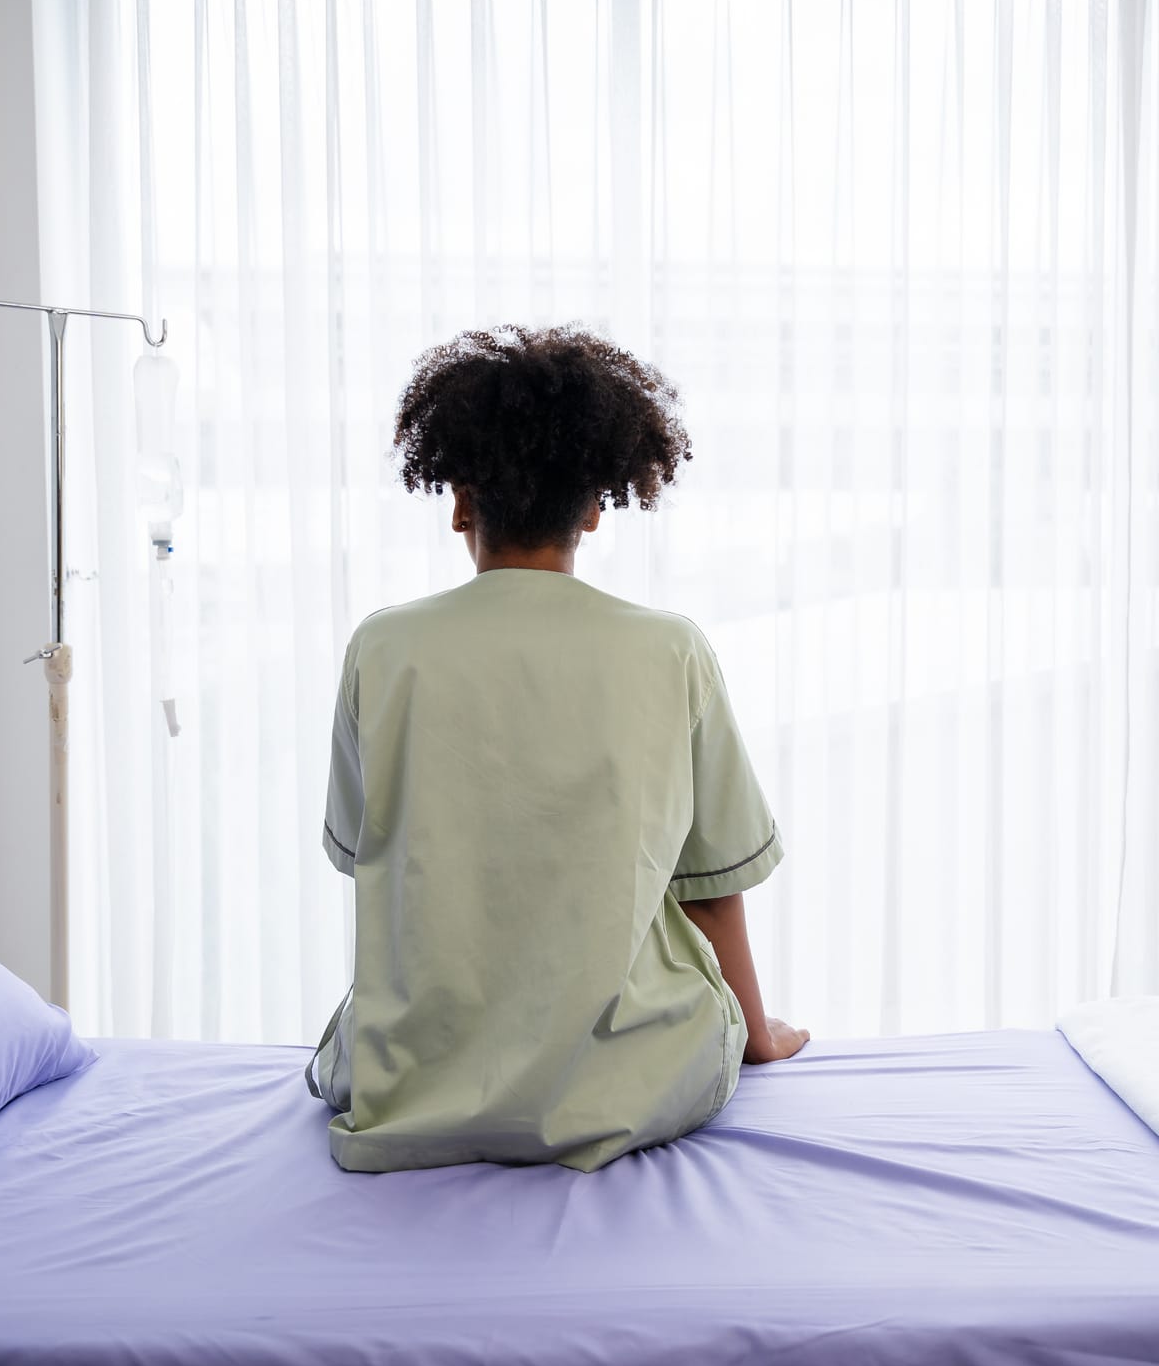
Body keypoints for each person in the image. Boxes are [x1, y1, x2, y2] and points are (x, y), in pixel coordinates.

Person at [308, 324, 808, 1173]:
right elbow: (711, 888)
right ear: (594, 508)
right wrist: (756, 1038)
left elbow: (364, 856)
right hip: (630, 1079)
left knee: (338, 1052)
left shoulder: (384, 648)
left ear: (459, 500)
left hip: (414, 1078)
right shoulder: (669, 650)